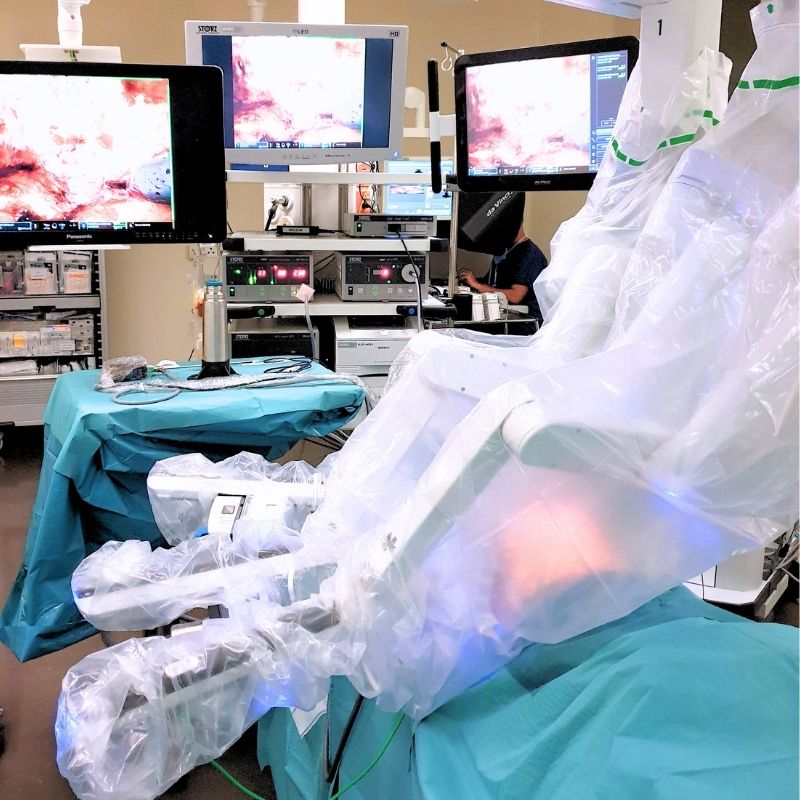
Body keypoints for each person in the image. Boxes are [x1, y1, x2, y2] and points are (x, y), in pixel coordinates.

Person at [456, 192, 548, 323]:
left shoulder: (530, 254)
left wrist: (477, 285)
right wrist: (469, 283)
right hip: (503, 319)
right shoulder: (503, 251)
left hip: (524, 325)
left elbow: (516, 296)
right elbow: (494, 284)